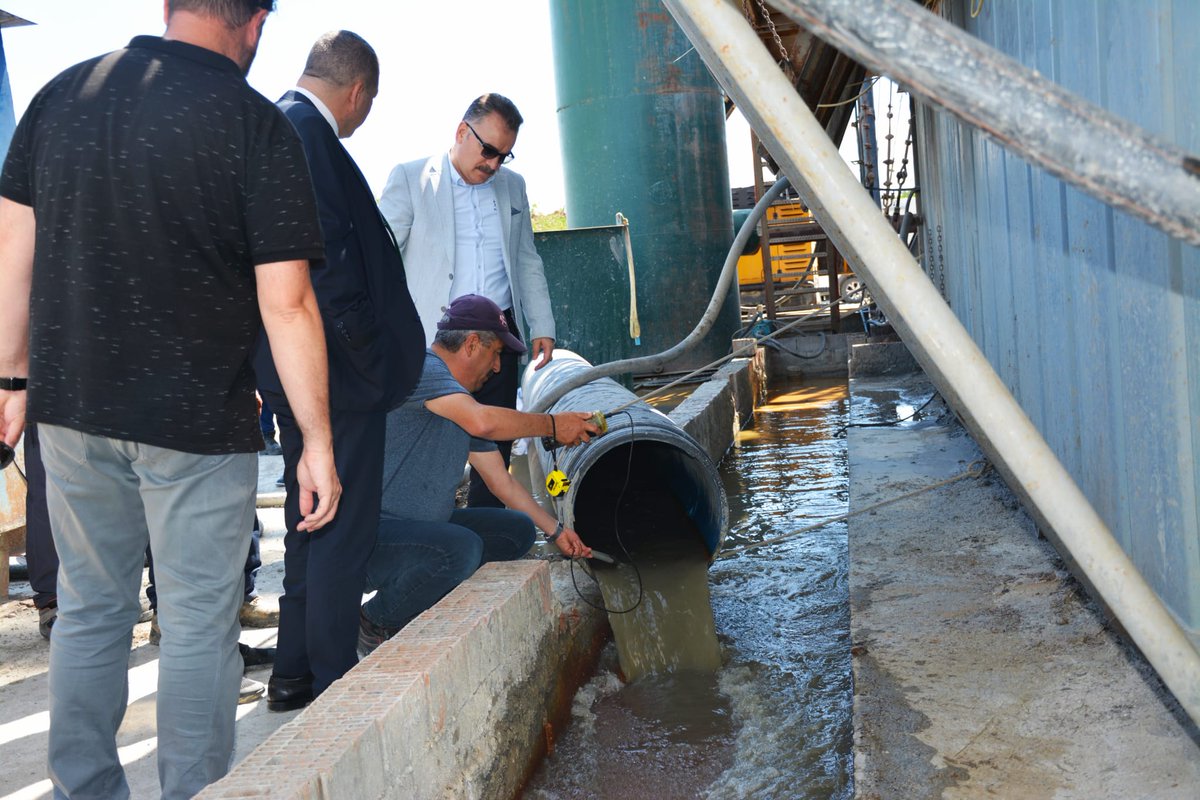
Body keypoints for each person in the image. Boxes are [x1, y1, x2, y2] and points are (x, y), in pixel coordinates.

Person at [0, 1, 342, 796]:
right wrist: (316, 440)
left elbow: (12, 251)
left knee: (90, 612)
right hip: (197, 423)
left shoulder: (62, 96)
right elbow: (288, 303)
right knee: (195, 627)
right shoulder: (256, 125)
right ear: (255, 24)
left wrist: (10, 379)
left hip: (73, 414)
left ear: (167, 6)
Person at [255, 30, 425, 713]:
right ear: (358, 91)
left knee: (311, 522)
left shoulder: (279, 127)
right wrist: (370, 359)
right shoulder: (306, 135)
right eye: (370, 103)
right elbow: (329, 272)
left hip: (307, 370)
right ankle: (332, 684)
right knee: (341, 528)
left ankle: (294, 671)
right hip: (335, 377)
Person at [357, 294, 596, 657]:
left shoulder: (459, 400)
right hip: (375, 536)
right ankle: (373, 620)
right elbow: (484, 422)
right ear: (471, 345)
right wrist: (552, 425)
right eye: (495, 353)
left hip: (423, 526)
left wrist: (558, 532)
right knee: (461, 549)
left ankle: (425, 593)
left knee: (516, 530)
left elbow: (502, 482)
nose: (498, 367)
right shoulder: (423, 370)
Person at [379, 93, 556, 509]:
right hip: (432, 346)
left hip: (497, 340)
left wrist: (542, 324)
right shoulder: (411, 178)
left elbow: (526, 258)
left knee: (496, 451)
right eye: (488, 150)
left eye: (504, 156)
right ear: (462, 132)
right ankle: (423, 529)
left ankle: (489, 534)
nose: (494, 164)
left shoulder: (513, 186)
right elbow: (380, 256)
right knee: (429, 445)